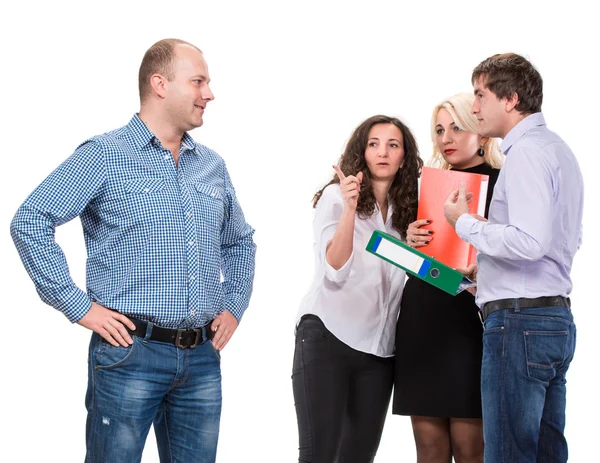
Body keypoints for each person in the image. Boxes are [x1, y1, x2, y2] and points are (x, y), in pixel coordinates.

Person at [10, 38, 256, 463]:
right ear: (160, 84)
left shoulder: (211, 165)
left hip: (201, 359)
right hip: (130, 355)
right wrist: (79, 307)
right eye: (198, 81)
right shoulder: (105, 154)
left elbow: (239, 242)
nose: (209, 94)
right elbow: (30, 220)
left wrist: (233, 305)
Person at [444, 53, 583, 463]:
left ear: (510, 99)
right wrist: (485, 271)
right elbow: (562, 240)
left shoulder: (525, 154)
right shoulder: (558, 149)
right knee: (545, 454)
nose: (473, 107)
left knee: (507, 454)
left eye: (480, 95)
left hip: (520, 324)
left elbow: (530, 242)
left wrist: (464, 222)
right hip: (553, 321)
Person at [292, 115, 422, 462]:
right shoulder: (337, 197)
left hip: (379, 354)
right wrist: (350, 209)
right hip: (327, 340)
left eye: (393, 145)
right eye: (374, 144)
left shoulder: (405, 214)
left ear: (404, 158)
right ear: (361, 152)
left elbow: (419, 274)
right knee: (320, 455)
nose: (383, 152)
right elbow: (334, 270)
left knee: (359, 457)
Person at [392, 93, 503, 463]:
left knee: (471, 447)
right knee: (429, 449)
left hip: (470, 323)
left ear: (481, 133)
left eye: (456, 127)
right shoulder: (428, 184)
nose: (446, 138)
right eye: (439, 130)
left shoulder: (503, 182)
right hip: (422, 318)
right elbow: (419, 261)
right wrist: (410, 241)